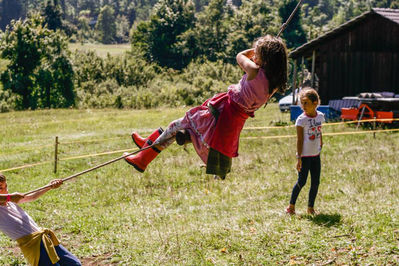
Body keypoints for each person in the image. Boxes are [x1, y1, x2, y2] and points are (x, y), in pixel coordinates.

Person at [125, 34, 288, 179]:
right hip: (233, 117)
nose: (254, 57)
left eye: (257, 55)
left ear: (265, 59)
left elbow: (239, 56)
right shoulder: (273, 85)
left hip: (222, 112)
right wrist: (262, 50)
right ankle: (147, 145)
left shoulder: (253, 70)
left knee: (176, 126)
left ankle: (142, 159)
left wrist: (254, 49)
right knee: (176, 127)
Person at [0, 173, 81, 266]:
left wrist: (49, 186)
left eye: (6, 186)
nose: (6, 190)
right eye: (0, 188)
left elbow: (32, 196)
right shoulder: (8, 199)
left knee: (74, 264)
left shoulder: (11, 202)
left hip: (44, 238)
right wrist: (9, 197)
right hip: (32, 245)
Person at [286, 88, 325, 215]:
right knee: (301, 181)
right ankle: (291, 207)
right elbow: (300, 140)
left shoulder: (320, 116)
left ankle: (310, 208)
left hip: (316, 155)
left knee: (315, 182)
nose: (303, 106)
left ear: (315, 103)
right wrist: (299, 158)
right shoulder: (301, 120)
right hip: (305, 156)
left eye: (306, 103)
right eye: (302, 103)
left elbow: (319, 131)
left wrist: (321, 142)